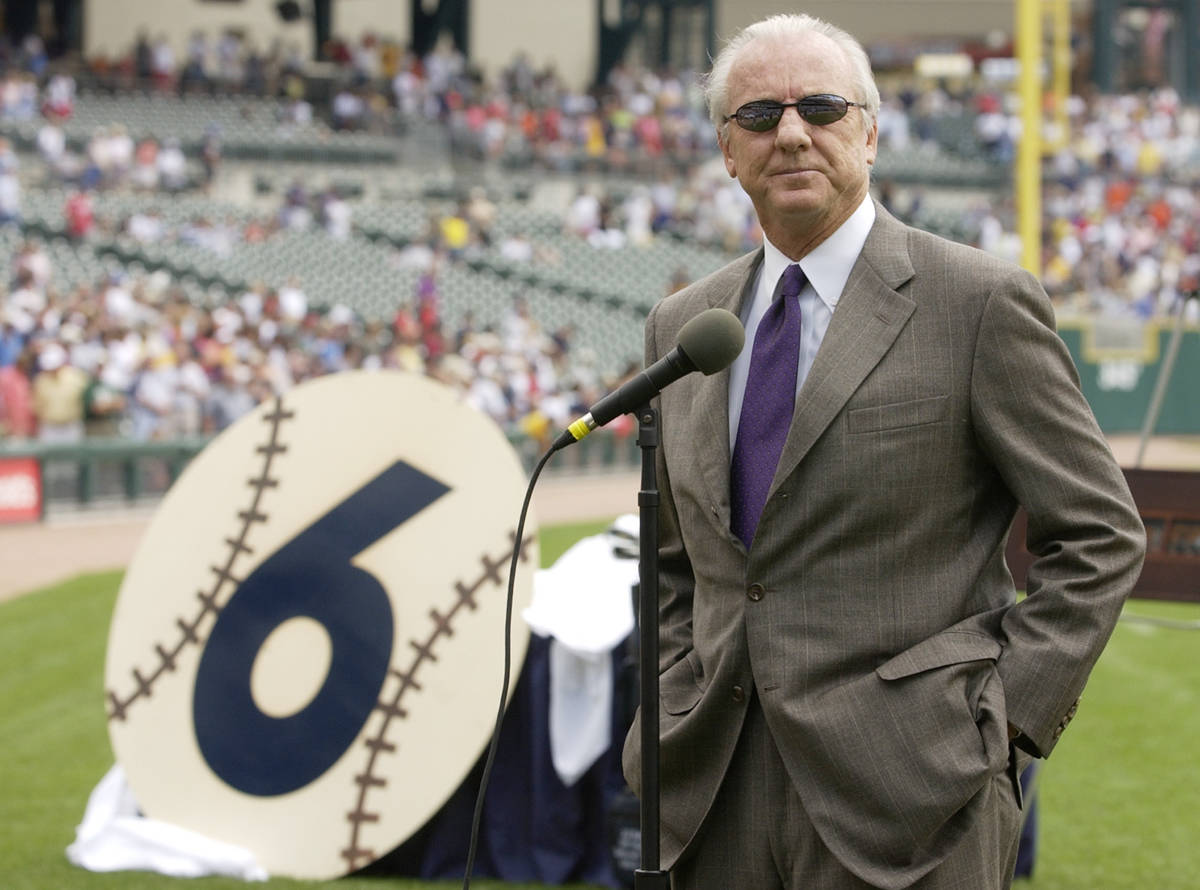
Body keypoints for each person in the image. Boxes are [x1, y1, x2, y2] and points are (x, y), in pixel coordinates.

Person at [620, 14, 1145, 890]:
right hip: (715, 788)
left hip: (914, 792)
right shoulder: (685, 328)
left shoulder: (977, 304)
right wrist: (677, 687)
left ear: (868, 131)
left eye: (820, 108)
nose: (790, 133)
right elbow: (677, 560)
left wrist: (1001, 725)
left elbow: (1098, 534)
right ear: (727, 150)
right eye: (759, 116)